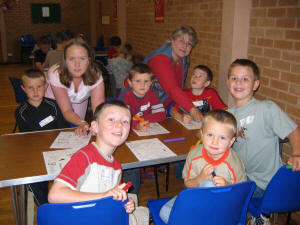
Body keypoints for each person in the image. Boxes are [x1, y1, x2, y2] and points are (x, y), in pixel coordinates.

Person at [48, 100, 149, 225]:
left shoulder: (116, 166)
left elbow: (111, 198)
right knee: (143, 215)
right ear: (94, 127)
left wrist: (123, 202)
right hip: (82, 218)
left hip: (102, 216)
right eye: (111, 119)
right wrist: (103, 196)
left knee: (138, 207)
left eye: (125, 121)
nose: (119, 125)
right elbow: (54, 195)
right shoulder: (85, 157)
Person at [227, 59, 300, 225]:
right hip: (241, 178)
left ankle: (258, 216)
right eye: (234, 78)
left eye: (245, 79)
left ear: (255, 84)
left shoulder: (266, 108)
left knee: (219, 200)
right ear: (228, 82)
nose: (238, 82)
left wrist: (297, 153)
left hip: (263, 184)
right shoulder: (228, 116)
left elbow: (294, 132)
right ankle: (257, 217)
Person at [159, 110, 246, 223]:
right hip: (196, 197)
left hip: (223, 204)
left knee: (209, 185)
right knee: (164, 212)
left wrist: (227, 186)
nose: (215, 142)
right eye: (210, 135)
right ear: (201, 135)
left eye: (222, 138)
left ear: (231, 141)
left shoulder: (234, 162)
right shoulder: (194, 155)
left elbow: (242, 192)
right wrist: (200, 178)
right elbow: (188, 184)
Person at [15, 69, 68, 206]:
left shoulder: (53, 105)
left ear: (46, 86)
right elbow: (26, 138)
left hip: (56, 153)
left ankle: (65, 203)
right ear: (23, 89)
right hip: (36, 155)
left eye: (39, 86)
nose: (35, 91)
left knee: (69, 177)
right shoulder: (20, 112)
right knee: (34, 183)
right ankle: (46, 207)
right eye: (30, 88)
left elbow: (63, 129)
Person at [45, 38, 105, 136]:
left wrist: (98, 125)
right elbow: (66, 110)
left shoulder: (96, 76)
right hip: (54, 103)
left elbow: (99, 111)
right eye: (72, 59)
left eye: (82, 58)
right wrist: (81, 122)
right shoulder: (55, 74)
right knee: (55, 134)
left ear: (89, 60)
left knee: (78, 132)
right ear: (65, 60)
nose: (77, 65)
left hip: (79, 101)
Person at [144, 25, 203, 122]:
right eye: (181, 41)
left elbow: (179, 86)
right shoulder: (160, 60)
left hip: (163, 107)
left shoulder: (183, 57)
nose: (185, 46)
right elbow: (172, 88)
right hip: (145, 107)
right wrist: (192, 109)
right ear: (172, 40)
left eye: (189, 44)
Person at [118, 63, 166, 131]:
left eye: (146, 81)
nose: (142, 85)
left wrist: (139, 119)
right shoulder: (125, 94)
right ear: (130, 82)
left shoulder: (152, 93)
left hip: (147, 128)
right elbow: (122, 118)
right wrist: (136, 125)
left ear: (151, 83)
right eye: (138, 81)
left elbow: (161, 114)